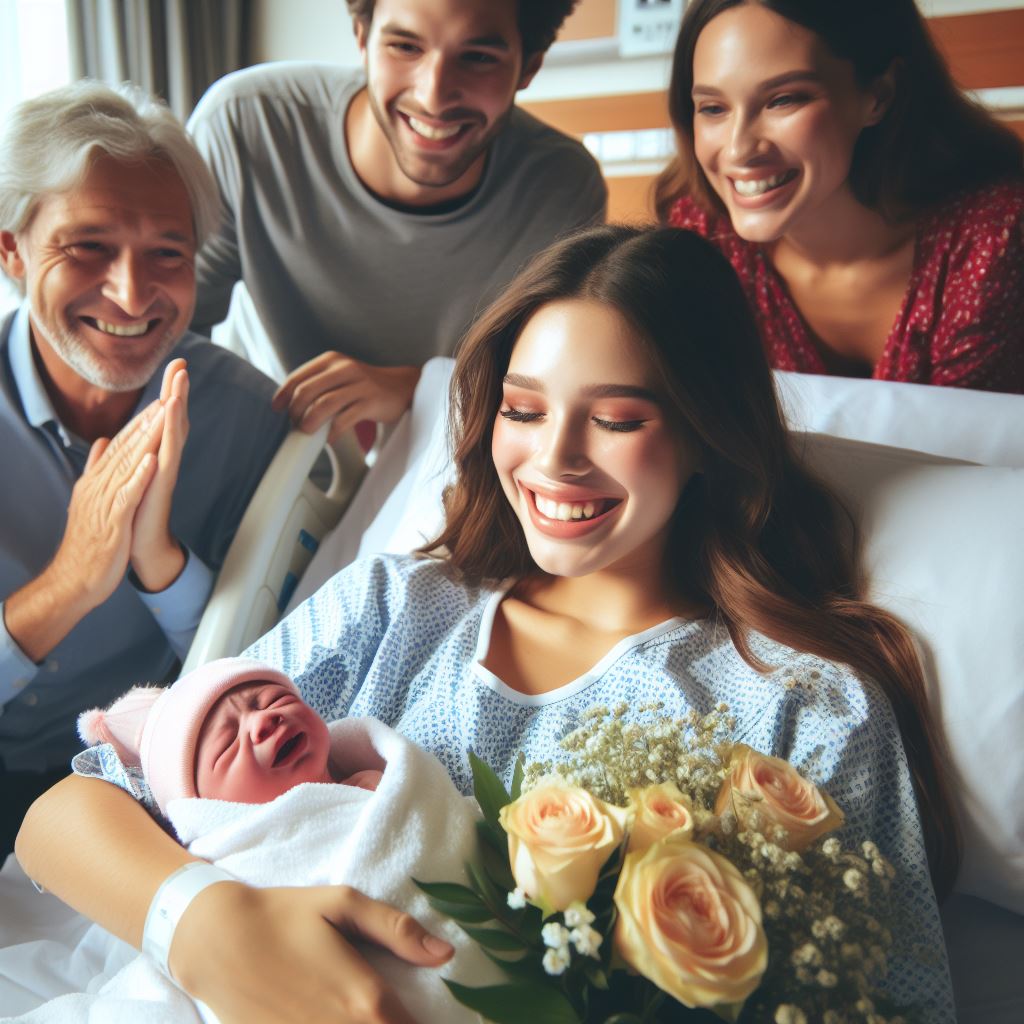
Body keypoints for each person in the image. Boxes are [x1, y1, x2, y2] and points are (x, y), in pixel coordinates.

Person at [18, 226, 959, 1024]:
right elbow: (64, 816)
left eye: (617, 420)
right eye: (523, 409)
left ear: (711, 433)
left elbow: (899, 997)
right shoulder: (399, 608)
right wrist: (212, 927)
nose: (555, 462)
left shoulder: (804, 706)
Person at [0, 82, 288, 855]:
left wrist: (158, 564)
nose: (131, 294)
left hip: (164, 787)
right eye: (87, 246)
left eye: (168, 253)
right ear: (12, 250)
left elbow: (267, 666)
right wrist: (72, 581)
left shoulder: (246, 419)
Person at [188, 0, 608, 444]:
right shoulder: (247, 127)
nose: (434, 95)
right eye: (405, 47)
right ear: (362, 38)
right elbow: (165, 336)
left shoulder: (562, 189)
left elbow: (552, 394)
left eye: (478, 57)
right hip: (265, 458)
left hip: (454, 471)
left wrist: (419, 388)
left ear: (529, 67)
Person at [656, 0, 1024, 392]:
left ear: (879, 96)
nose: (738, 150)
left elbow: (962, 444)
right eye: (713, 108)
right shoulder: (701, 234)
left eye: (784, 99)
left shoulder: (993, 238)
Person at [77, 658, 384, 810]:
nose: (263, 721)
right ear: (206, 809)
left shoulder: (378, 780)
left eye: (274, 700)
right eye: (227, 744)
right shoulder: (238, 869)